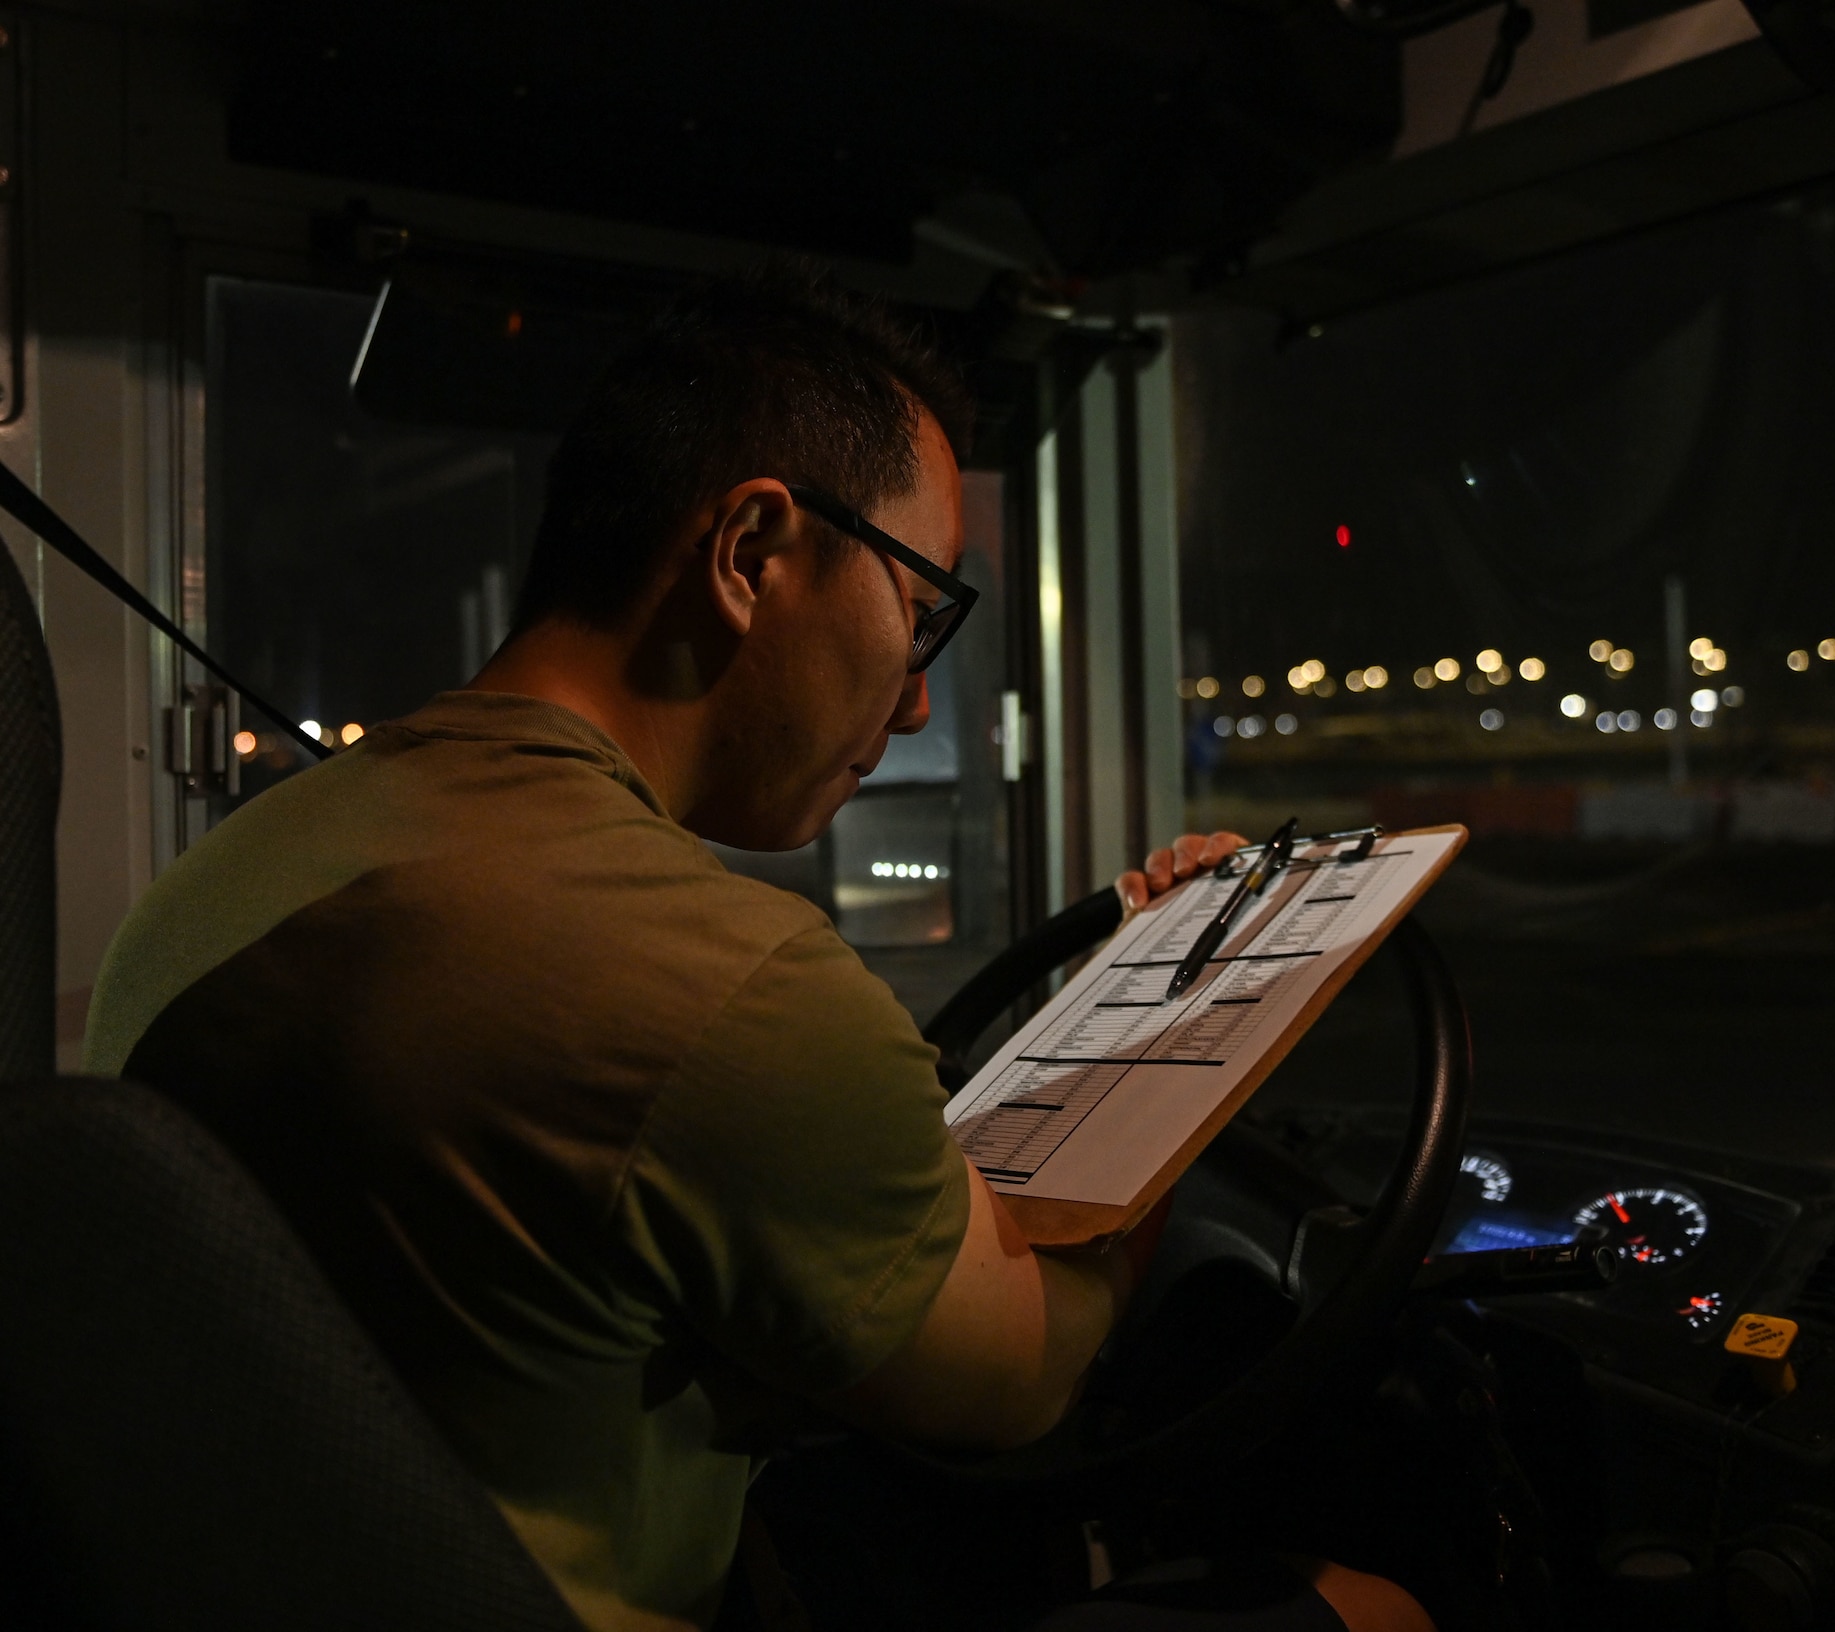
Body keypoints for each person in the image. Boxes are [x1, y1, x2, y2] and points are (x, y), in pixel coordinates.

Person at [83, 267, 1432, 1632]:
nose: (913, 705)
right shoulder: (718, 979)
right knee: (1367, 1607)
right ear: (750, 555)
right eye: (920, 616)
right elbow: (1016, 1382)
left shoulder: (219, 882)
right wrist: (1175, 1076)